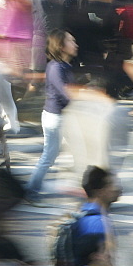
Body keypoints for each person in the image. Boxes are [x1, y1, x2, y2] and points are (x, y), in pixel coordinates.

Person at [26, 29, 77, 199]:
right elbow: (65, 93)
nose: (75, 45)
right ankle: (30, 191)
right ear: (61, 46)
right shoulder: (56, 67)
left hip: (62, 117)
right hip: (55, 118)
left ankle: (87, 186)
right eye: (71, 41)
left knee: (78, 150)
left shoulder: (63, 65)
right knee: (49, 156)